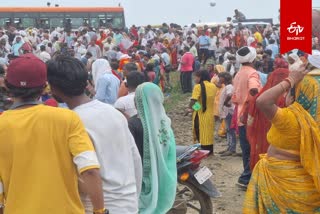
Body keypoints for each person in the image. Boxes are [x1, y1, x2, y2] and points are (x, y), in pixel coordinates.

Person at [0, 53, 106, 214]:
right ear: (45, 86)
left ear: (6, 86)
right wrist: (99, 210)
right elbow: (89, 169)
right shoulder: (68, 119)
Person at [47, 55, 142, 214]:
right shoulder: (114, 113)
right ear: (86, 81)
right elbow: (135, 159)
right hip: (128, 202)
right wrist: (134, 199)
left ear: (54, 87)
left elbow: (86, 173)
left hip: (99, 206)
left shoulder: (71, 122)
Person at [243, 59, 320, 213]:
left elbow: (263, 101)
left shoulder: (290, 118)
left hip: (280, 185)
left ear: (296, 94)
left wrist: (290, 80)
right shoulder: (315, 122)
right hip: (307, 189)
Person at [130, 82, 177, 213]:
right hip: (162, 172)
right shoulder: (165, 121)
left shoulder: (133, 123)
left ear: (138, 102)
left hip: (143, 176)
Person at [246, 68, 289, 170]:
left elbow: (249, 120)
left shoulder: (260, 97)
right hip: (279, 140)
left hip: (260, 137)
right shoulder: (288, 99)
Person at [232, 46, 261, 188]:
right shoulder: (253, 73)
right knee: (253, 148)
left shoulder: (238, 74)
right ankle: (246, 178)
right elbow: (254, 89)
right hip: (250, 116)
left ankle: (246, 176)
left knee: (245, 149)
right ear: (253, 58)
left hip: (239, 115)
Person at [187, 70, 218, 154]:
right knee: (208, 133)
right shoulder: (213, 86)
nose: (194, 79)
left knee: (199, 131)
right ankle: (210, 151)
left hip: (200, 114)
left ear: (200, 77)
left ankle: (202, 150)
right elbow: (203, 101)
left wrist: (190, 108)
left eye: (196, 77)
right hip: (210, 113)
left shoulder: (198, 87)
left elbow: (194, 100)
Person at [218, 72, 236, 156]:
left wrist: (225, 102)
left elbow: (230, 94)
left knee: (230, 130)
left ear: (224, 78)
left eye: (220, 77)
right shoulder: (227, 86)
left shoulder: (229, 86)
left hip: (229, 111)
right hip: (227, 111)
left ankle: (232, 148)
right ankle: (229, 147)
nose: (219, 79)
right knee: (228, 130)